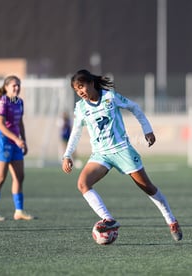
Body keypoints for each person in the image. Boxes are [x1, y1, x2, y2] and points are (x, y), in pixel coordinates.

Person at [61, 69, 182, 241]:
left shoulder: (110, 97)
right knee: (82, 183)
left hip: (122, 150)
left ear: (91, 83)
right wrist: (67, 155)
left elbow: (134, 107)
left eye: (82, 86)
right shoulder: (80, 108)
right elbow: (76, 131)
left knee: (147, 187)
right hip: (100, 155)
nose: (80, 92)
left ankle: (171, 220)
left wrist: (147, 130)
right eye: (76, 90)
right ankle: (108, 219)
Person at [0, 75, 34, 221]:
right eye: (14, 85)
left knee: (19, 177)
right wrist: (16, 139)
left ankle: (19, 211)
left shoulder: (19, 102)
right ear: (6, 87)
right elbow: (0, 125)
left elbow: (20, 123)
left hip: (16, 143)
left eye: (18, 85)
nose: (17, 88)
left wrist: (23, 140)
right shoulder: (3, 102)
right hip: (2, 142)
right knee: (0, 177)